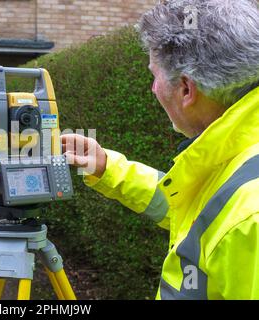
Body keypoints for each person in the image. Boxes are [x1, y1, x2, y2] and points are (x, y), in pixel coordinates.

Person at [62, 0, 259, 299]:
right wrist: (106, 167)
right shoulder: (235, 156)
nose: (153, 88)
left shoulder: (250, 217)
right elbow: (195, 212)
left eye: (154, 75)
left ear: (185, 89)